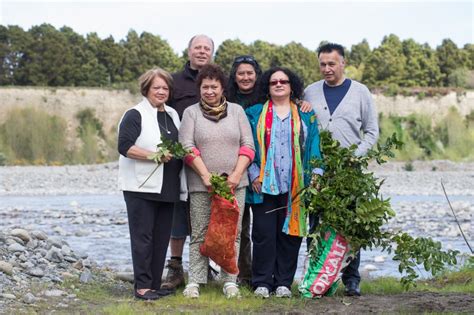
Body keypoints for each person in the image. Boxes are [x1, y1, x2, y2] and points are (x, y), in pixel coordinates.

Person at [304, 43, 379, 297]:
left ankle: (351, 279)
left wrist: (355, 157)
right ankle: (316, 278)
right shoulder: (310, 92)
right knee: (315, 226)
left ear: (343, 63)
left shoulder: (360, 92)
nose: (326, 69)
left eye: (331, 64)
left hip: (349, 172)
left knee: (349, 225)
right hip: (318, 173)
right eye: (322, 64)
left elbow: (371, 132)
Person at [245, 67, 323, 298]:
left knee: (290, 235)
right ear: (267, 87)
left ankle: (283, 284)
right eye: (273, 82)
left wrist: (316, 173)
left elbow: (315, 146)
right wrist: (253, 174)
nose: (279, 84)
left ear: (292, 86)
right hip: (264, 185)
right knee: (263, 234)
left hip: (296, 186)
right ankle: (262, 282)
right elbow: (247, 144)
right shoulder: (254, 113)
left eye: (284, 81)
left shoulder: (306, 114)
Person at [179, 64, 255, 298]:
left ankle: (229, 280)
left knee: (232, 232)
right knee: (200, 233)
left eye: (214, 86)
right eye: (205, 87)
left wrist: (235, 175)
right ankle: (195, 281)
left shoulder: (237, 112)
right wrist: (205, 176)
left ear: (223, 88)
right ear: (199, 89)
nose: (209, 91)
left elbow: (248, 146)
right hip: (201, 184)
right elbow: (186, 146)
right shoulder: (191, 113)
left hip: (235, 184)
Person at [118, 68, 187, 300]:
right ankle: (142, 287)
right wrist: (153, 155)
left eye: (165, 88)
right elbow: (125, 146)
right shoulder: (134, 114)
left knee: (160, 238)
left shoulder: (172, 114)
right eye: (156, 87)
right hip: (140, 186)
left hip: (168, 186)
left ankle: (155, 284)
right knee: (143, 237)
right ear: (146, 89)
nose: (161, 91)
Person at [161, 34, 214, 291]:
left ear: (212, 53)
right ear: (189, 50)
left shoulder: (217, 79)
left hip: (212, 158)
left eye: (206, 48)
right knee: (177, 214)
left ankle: (204, 268)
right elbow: (161, 112)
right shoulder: (173, 81)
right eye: (198, 47)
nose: (202, 52)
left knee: (205, 213)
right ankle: (175, 267)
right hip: (180, 160)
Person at [226, 55, 263, 287]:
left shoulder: (267, 98)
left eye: (250, 73)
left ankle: (261, 276)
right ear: (234, 76)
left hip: (262, 170)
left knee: (262, 228)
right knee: (238, 227)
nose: (246, 77)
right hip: (234, 169)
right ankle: (242, 274)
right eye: (241, 73)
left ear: (257, 75)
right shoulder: (227, 99)